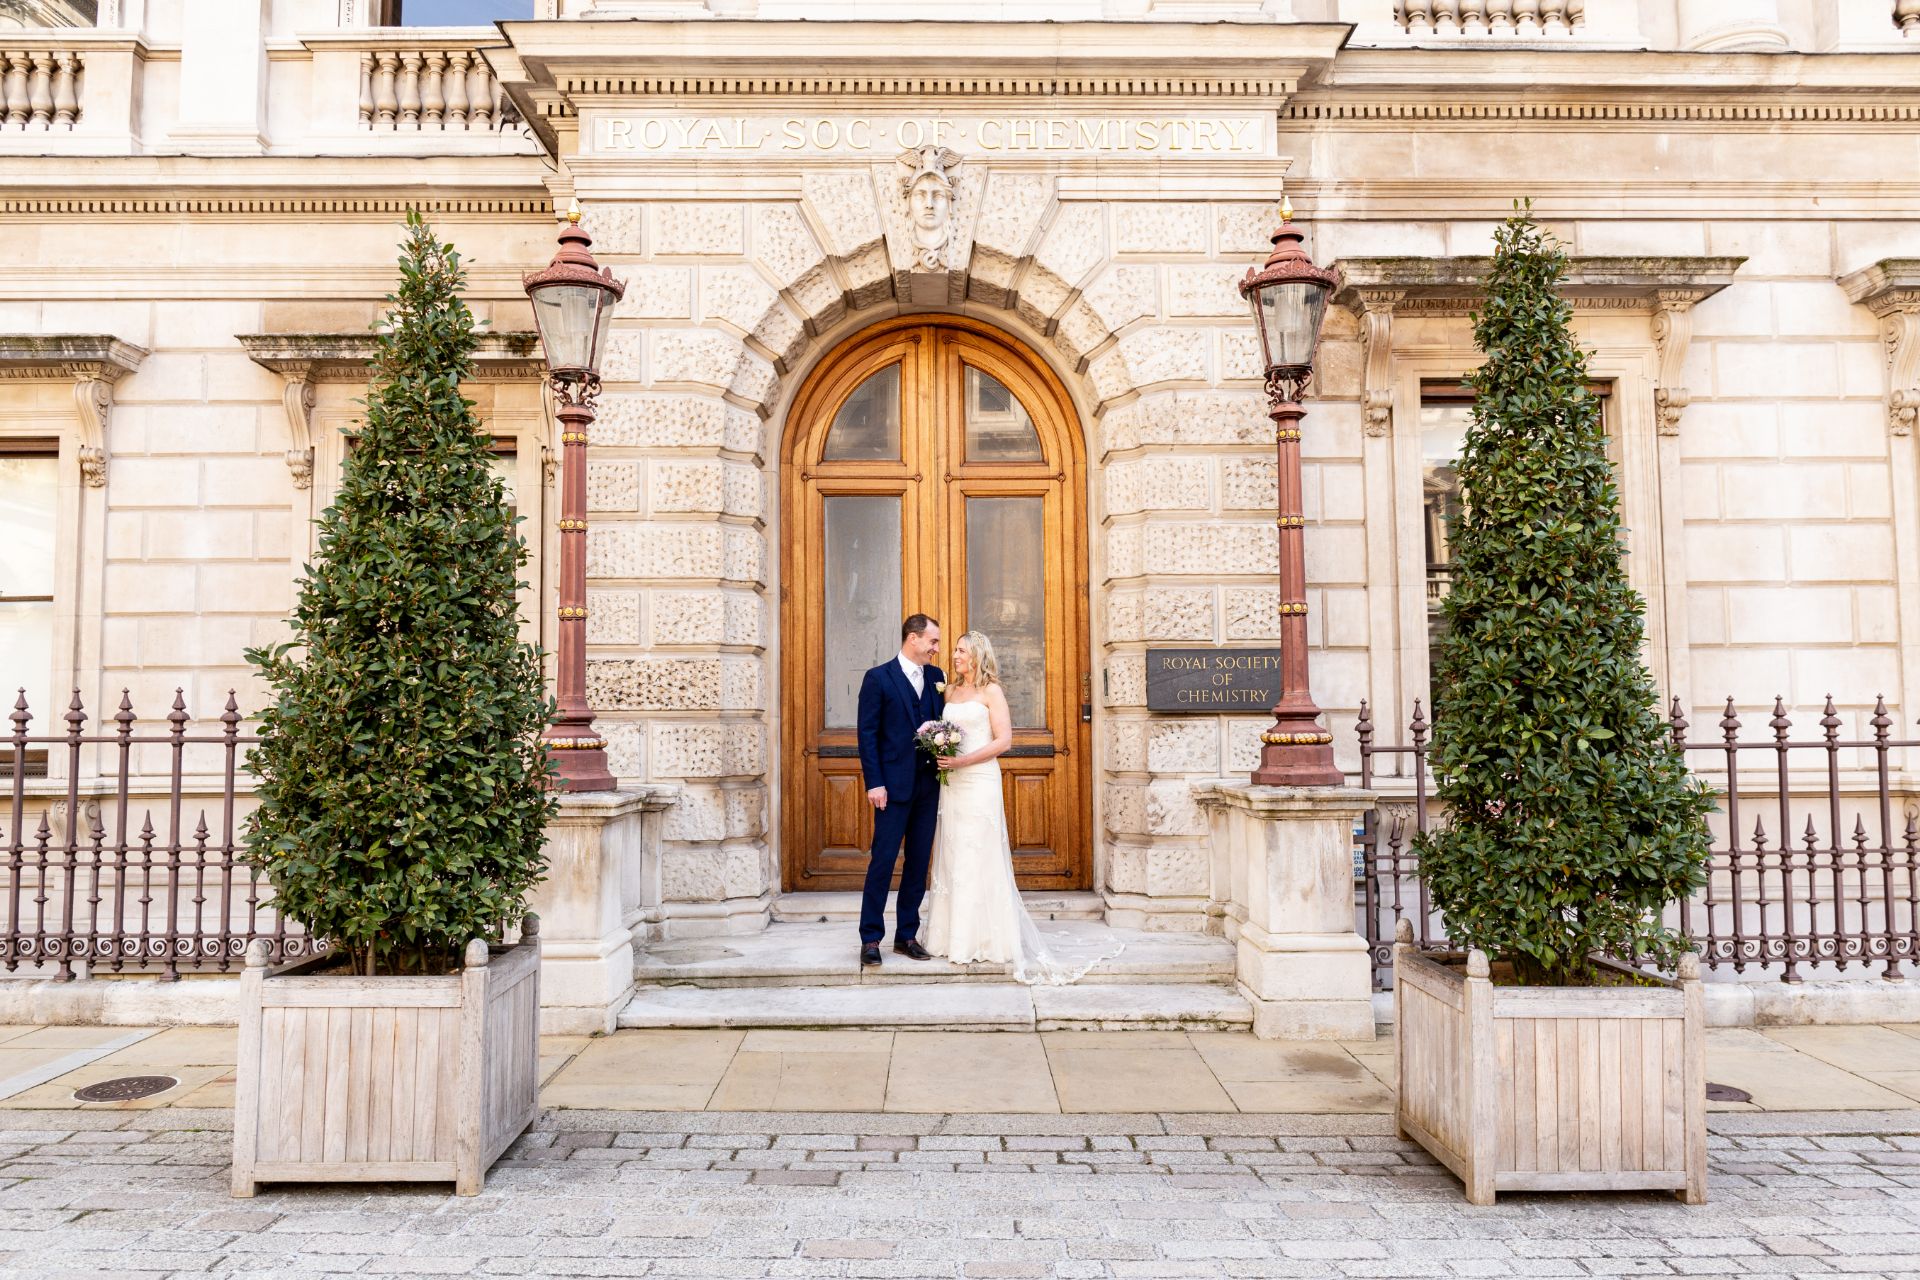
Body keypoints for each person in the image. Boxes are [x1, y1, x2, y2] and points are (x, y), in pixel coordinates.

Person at [922, 631, 1112, 985]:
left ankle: (989, 937)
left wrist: (963, 763)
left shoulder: (991, 691)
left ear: (977, 655)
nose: (955, 655)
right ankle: (952, 936)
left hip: (979, 780)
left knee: (981, 851)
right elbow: (939, 728)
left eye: (961, 650)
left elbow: (1004, 740)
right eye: (955, 650)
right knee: (954, 851)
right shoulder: (948, 690)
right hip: (953, 785)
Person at [853, 613, 944, 967]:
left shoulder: (937, 678)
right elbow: (867, 735)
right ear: (913, 638)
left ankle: (907, 935)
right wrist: (874, 782)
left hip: (929, 787)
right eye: (933, 642)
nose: (936, 649)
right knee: (883, 862)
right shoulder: (878, 678)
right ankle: (870, 938)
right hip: (890, 789)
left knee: (919, 863)